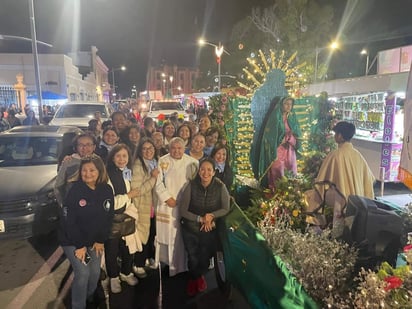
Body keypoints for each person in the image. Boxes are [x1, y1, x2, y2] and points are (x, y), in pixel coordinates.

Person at [59, 155, 114, 309]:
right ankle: (79, 305)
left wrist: (101, 240)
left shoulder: (106, 189)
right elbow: (69, 222)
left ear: (100, 171)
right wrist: (80, 245)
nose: (87, 173)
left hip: (94, 242)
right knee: (83, 273)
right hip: (74, 242)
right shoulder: (75, 190)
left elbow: (108, 217)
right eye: (84, 170)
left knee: (94, 272)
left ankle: (89, 296)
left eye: (92, 170)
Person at [180, 158, 230, 296]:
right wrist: (200, 219)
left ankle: (199, 275)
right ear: (198, 171)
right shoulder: (191, 185)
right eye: (202, 169)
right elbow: (183, 210)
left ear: (214, 172)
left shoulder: (220, 187)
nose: (205, 173)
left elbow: (226, 208)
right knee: (192, 256)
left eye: (209, 170)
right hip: (190, 227)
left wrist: (211, 216)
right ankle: (193, 279)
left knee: (204, 256)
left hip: (209, 229)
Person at [155, 137, 199, 276]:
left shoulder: (192, 162)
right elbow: (158, 182)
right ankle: (169, 263)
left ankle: (184, 264)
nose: (176, 151)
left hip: (186, 206)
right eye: (173, 148)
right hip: (168, 205)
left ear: (184, 148)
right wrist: (167, 198)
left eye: (179, 148)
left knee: (183, 236)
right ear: (169, 148)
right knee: (169, 235)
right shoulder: (162, 161)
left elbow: (196, 184)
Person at [105, 144, 139, 293]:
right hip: (112, 218)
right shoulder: (107, 175)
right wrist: (128, 196)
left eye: (124, 156)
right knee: (111, 249)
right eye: (118, 156)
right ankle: (113, 277)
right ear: (112, 158)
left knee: (128, 247)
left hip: (127, 215)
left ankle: (126, 272)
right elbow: (108, 202)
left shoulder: (128, 172)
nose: (121, 159)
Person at [315, 121, 375, 199]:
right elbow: (369, 179)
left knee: (312, 196)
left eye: (336, 134)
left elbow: (322, 180)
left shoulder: (335, 155)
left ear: (340, 136)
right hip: (358, 200)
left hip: (341, 198)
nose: (335, 136)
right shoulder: (358, 155)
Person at [131, 138, 159, 278]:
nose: (148, 151)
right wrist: (153, 178)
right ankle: (138, 264)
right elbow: (137, 190)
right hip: (142, 206)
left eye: (151, 148)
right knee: (142, 235)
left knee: (151, 234)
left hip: (153, 207)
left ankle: (149, 257)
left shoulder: (155, 163)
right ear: (140, 151)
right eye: (145, 149)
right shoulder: (138, 165)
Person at [268, 97, 302, 190]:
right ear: (281, 104)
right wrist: (280, 139)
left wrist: (290, 138)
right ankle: (276, 194)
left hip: (290, 149)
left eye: (290, 104)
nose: (288, 106)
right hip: (278, 149)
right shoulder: (275, 118)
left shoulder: (292, 118)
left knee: (291, 168)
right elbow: (270, 134)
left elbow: (297, 134)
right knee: (277, 169)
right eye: (286, 103)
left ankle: (290, 195)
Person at [55, 133, 97, 207]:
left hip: (94, 203)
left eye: (88, 144)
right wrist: (63, 204)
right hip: (73, 204)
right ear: (76, 147)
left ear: (94, 147)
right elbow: (59, 185)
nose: (84, 148)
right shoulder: (69, 161)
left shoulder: (98, 161)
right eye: (81, 145)